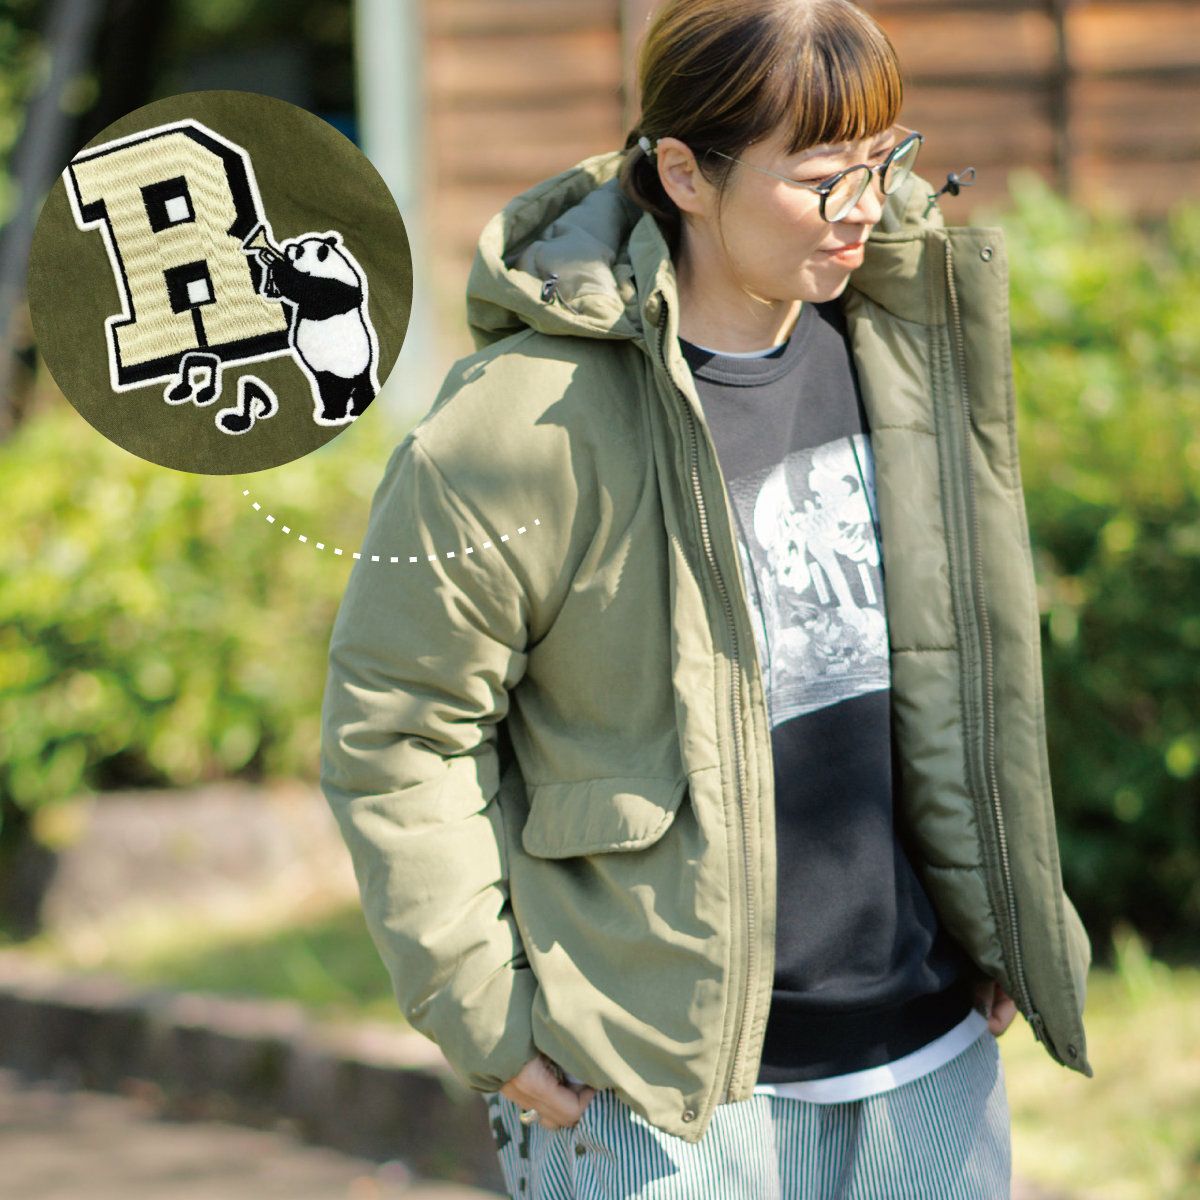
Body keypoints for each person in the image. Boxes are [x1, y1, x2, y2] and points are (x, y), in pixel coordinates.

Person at [320, 0, 1094, 1195]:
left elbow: (953, 672)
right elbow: (400, 728)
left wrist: (999, 911)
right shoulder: (518, 428)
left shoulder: (898, 355)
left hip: (927, 1058)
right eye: (823, 178)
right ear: (684, 172)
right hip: (653, 1088)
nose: (867, 208)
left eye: (886, 160)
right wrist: (485, 1014)